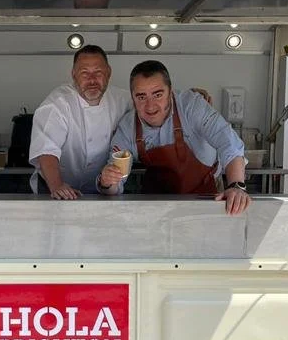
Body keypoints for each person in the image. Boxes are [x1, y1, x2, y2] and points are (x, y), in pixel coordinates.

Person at [98, 60, 251, 216]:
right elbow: (115, 181)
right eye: (141, 97)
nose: (150, 106)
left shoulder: (192, 106)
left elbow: (228, 142)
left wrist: (236, 187)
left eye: (158, 95)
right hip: (156, 203)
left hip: (205, 195)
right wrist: (107, 182)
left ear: (170, 92)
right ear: (132, 98)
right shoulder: (127, 127)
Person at [29, 44, 132, 199]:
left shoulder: (123, 100)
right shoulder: (58, 103)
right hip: (55, 185)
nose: (92, 80)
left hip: (102, 189)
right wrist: (57, 185)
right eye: (84, 73)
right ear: (73, 74)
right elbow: (46, 149)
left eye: (98, 73)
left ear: (109, 73)